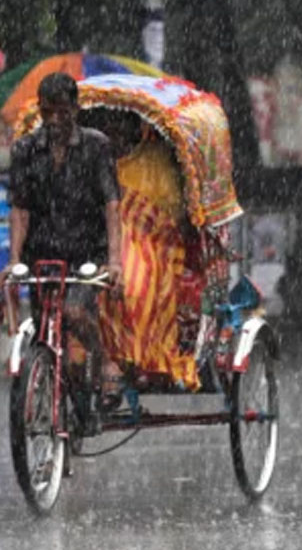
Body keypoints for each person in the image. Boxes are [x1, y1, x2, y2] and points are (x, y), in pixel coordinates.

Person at [5, 73, 124, 413]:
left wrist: (114, 261)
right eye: (47, 113)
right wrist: (14, 259)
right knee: (45, 331)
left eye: (62, 112)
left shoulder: (96, 146)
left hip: (86, 252)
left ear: (76, 108)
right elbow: (21, 208)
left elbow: (111, 205)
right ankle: (60, 407)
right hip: (43, 253)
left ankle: (103, 361)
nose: (55, 121)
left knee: (72, 311)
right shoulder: (26, 149)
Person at [85, 109, 199, 390]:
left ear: (133, 127)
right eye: (107, 125)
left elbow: (173, 215)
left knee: (134, 285)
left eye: (120, 125)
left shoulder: (155, 160)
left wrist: (136, 219)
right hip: (101, 239)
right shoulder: (92, 160)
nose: (114, 132)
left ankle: (139, 356)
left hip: (153, 243)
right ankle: (103, 359)